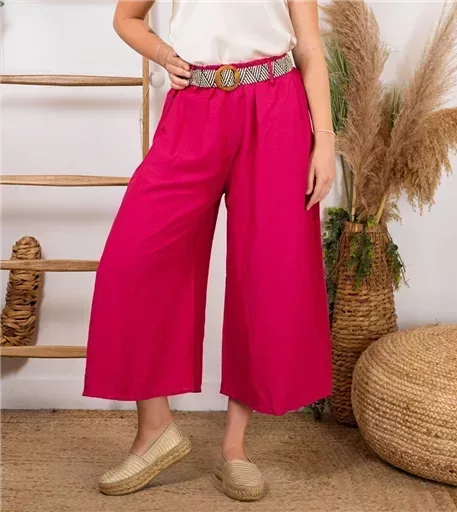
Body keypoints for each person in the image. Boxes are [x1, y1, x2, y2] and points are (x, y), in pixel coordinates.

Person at [83, 0, 335, 502]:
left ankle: (234, 449)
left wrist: (324, 139)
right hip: (194, 105)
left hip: (276, 107)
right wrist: (163, 54)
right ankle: (155, 429)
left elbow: (308, 42)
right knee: (132, 260)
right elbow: (125, 18)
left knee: (266, 272)